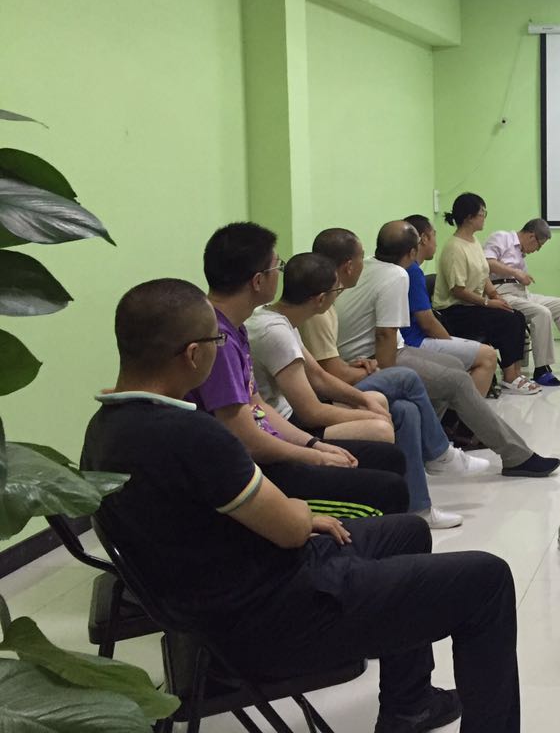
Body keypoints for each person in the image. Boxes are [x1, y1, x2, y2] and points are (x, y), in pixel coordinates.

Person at [83, 278, 521, 733]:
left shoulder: (103, 429)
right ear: (194, 355)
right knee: (487, 581)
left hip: (219, 598)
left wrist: (299, 515)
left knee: (406, 531)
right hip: (276, 615)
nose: (220, 350)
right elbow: (291, 529)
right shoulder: (193, 436)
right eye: (216, 342)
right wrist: (301, 514)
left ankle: (408, 705)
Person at [248, 252, 488, 529]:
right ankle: (439, 455)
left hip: (300, 411)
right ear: (321, 299)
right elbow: (310, 410)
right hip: (289, 424)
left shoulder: (280, 320)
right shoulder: (274, 331)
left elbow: (319, 377)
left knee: (405, 410)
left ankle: (420, 506)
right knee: (403, 381)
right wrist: (367, 413)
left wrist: (365, 402)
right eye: (336, 291)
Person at [302, 226, 560, 478]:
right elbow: (385, 336)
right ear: (413, 252)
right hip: (378, 357)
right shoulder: (393, 276)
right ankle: (511, 455)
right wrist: (385, 373)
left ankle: (430, 444)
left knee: (452, 366)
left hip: (379, 354)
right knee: (455, 380)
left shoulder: (361, 273)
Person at [189, 222, 408, 519]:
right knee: (389, 489)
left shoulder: (236, 327)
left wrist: (313, 444)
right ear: (258, 281)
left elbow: (259, 406)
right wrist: (313, 455)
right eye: (277, 266)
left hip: (274, 440)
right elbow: (249, 439)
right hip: (249, 470)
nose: (281, 273)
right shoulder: (218, 340)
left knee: (389, 458)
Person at [433, 194, 540, 395]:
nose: (484, 217)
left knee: (516, 315)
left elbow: (483, 274)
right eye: (482, 213)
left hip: (472, 305)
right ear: (469, 217)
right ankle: (510, 376)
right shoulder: (454, 247)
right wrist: (488, 303)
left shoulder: (473, 241)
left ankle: (516, 373)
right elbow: (458, 290)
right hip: (454, 311)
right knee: (507, 320)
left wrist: (494, 295)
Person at [484, 217, 560, 387]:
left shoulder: (521, 252)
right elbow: (487, 263)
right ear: (532, 236)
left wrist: (521, 278)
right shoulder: (502, 237)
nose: (537, 250)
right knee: (541, 312)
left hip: (523, 294)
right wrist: (516, 273)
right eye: (539, 245)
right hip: (501, 293)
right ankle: (542, 369)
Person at [401, 214, 500, 396]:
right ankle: (466, 411)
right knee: (488, 355)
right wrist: (450, 344)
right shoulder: (413, 272)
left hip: (413, 339)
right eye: (434, 235)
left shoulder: (403, 269)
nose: (436, 242)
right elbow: (428, 323)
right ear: (424, 238)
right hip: (414, 342)